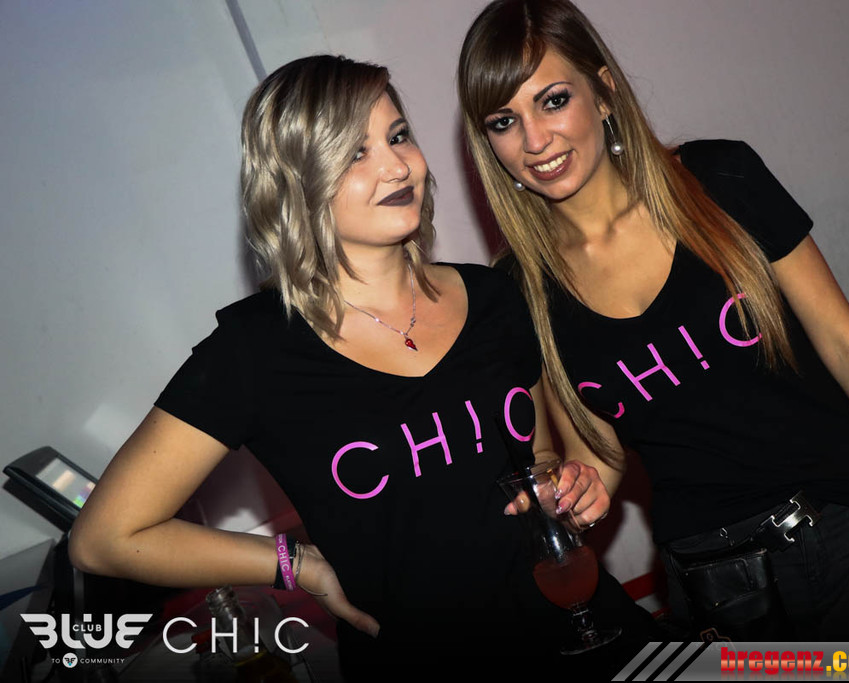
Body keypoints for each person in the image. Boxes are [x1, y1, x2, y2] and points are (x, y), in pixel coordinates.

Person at [69, 55, 654, 679]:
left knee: (732, 670)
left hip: (582, 632)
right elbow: (105, 538)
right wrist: (297, 566)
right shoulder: (257, 350)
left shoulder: (494, 297)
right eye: (354, 153)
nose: (397, 166)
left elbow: (535, 459)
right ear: (298, 182)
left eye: (398, 136)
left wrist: (564, 485)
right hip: (424, 661)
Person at [457, 0, 849, 641]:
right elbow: (597, 452)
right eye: (503, 121)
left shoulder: (719, 179)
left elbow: (847, 345)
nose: (534, 140)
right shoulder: (523, 289)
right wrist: (576, 492)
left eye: (552, 101)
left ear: (602, 93)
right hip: (720, 584)